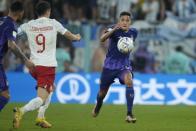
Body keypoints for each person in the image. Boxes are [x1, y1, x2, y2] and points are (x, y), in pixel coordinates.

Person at [13, 1, 81, 129]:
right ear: (48, 11)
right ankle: (21, 111)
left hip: (33, 66)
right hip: (47, 66)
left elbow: (15, 32)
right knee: (41, 98)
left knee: (51, 89)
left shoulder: (29, 24)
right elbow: (69, 36)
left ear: (36, 12)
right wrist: (77, 37)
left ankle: (40, 117)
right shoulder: (53, 23)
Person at [92, 11, 138, 123]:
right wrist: (113, 30)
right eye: (122, 20)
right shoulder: (113, 29)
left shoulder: (134, 32)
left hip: (124, 65)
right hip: (109, 67)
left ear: (130, 22)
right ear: (119, 21)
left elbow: (128, 46)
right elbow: (102, 38)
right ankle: (98, 105)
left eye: (127, 20)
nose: (125, 22)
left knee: (129, 81)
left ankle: (129, 114)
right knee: (102, 93)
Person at [0, 1, 34, 112]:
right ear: (21, 13)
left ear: (10, 10)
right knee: (5, 95)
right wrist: (25, 60)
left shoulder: (1, 20)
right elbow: (12, 45)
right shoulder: (12, 25)